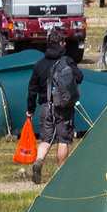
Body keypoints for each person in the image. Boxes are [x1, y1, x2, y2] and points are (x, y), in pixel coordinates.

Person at [26, 39, 82, 183]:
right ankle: (62, 171)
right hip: (64, 107)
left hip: (45, 107)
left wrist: (30, 109)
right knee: (63, 140)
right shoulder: (67, 61)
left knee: (47, 139)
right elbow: (79, 76)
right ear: (62, 43)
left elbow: (32, 88)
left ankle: (38, 162)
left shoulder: (39, 64)